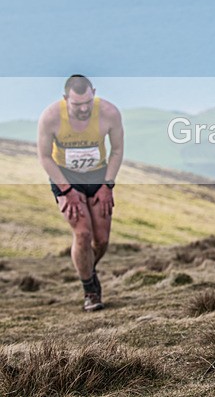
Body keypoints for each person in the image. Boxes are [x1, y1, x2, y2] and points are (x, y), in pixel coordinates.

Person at [37, 75, 124, 311]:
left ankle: (86, 267)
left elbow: (117, 151)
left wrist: (108, 186)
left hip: (98, 176)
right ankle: (91, 291)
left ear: (93, 92)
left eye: (88, 102)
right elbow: (45, 157)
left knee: (102, 240)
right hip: (66, 177)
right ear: (66, 99)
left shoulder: (109, 113)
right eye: (77, 104)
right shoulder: (51, 117)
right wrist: (66, 190)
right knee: (83, 234)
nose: (84, 108)